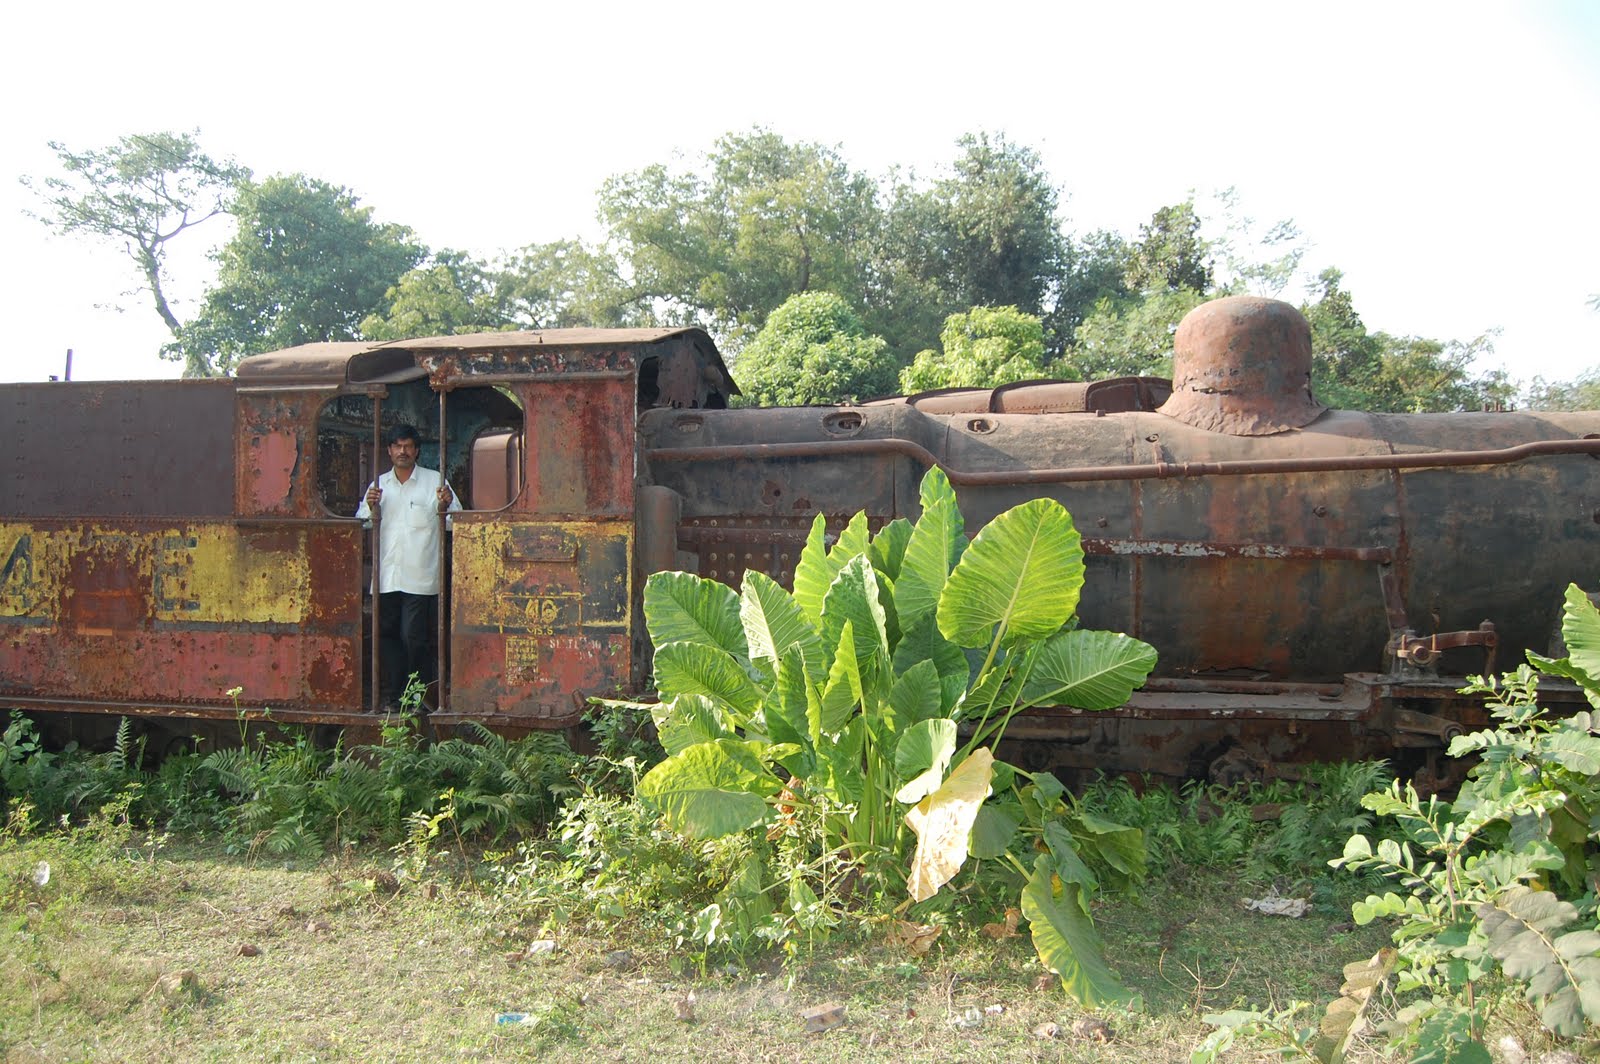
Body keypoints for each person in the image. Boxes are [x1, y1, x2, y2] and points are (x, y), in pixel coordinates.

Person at [355, 424, 461, 710]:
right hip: (387, 576)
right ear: (390, 450)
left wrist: (447, 504)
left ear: (416, 451)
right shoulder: (379, 485)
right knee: (388, 637)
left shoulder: (435, 482)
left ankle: (417, 695)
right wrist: (370, 506)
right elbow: (362, 522)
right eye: (397, 446)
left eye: (408, 446)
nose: (402, 451)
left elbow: (455, 522)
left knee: (413, 637)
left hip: (421, 576)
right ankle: (394, 696)